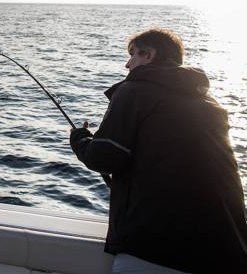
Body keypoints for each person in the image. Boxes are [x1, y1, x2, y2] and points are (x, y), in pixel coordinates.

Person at [69, 28, 247, 273]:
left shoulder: (134, 90)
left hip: (156, 249)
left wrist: (79, 139)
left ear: (149, 55)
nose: (127, 64)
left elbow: (105, 157)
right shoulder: (211, 104)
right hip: (226, 252)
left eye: (133, 55)